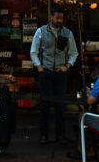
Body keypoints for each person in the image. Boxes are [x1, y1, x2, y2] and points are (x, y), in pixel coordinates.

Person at [31, 8, 77, 144]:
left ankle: (60, 134)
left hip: (60, 73)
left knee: (60, 106)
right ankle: (43, 135)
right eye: (57, 18)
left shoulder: (68, 33)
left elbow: (74, 52)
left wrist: (67, 66)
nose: (59, 21)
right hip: (46, 71)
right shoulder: (41, 31)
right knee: (45, 104)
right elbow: (33, 50)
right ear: (51, 17)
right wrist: (39, 67)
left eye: (61, 18)